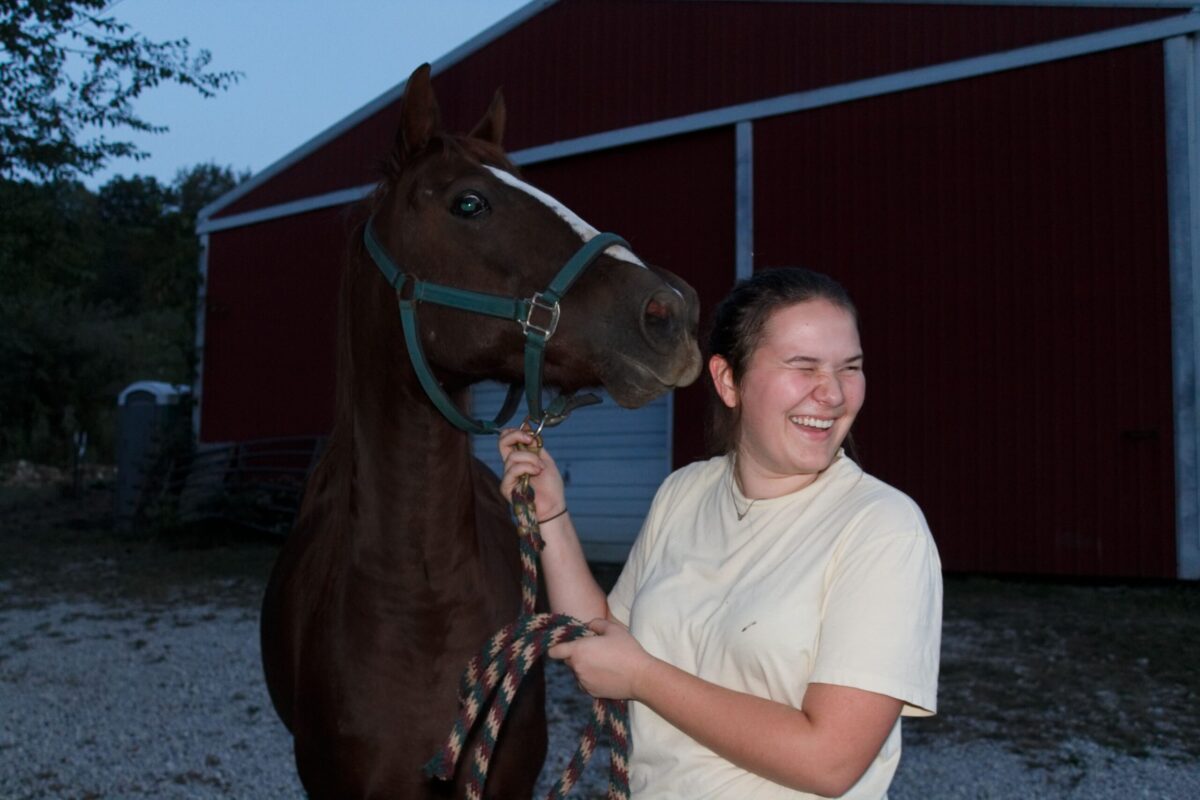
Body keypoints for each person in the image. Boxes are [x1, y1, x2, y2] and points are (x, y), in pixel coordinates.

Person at [499, 267, 942, 799]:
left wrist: (644, 679)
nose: (832, 393)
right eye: (803, 367)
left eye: (850, 367)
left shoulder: (883, 528)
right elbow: (604, 641)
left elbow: (831, 761)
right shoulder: (685, 493)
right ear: (728, 380)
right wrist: (551, 514)